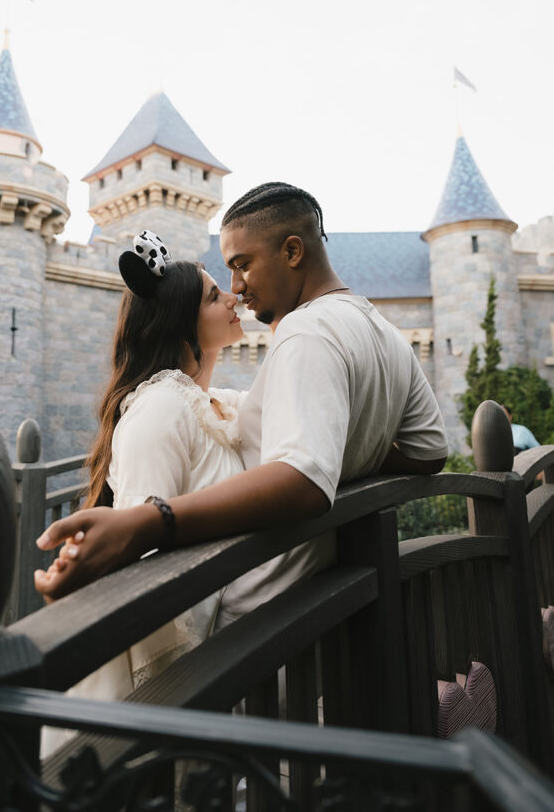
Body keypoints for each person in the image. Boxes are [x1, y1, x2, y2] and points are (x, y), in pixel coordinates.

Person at [35, 183, 448, 616]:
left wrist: (151, 522)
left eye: (242, 265)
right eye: (223, 279)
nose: (236, 287)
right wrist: (349, 448)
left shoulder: (304, 333)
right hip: (310, 604)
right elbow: (429, 452)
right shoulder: (385, 332)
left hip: (259, 624)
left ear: (292, 252)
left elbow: (304, 481)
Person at [40, 231, 246, 754]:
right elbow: (146, 553)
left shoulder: (209, 403)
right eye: (212, 295)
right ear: (180, 322)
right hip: (183, 665)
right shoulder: (160, 409)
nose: (233, 297)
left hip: (220, 647)